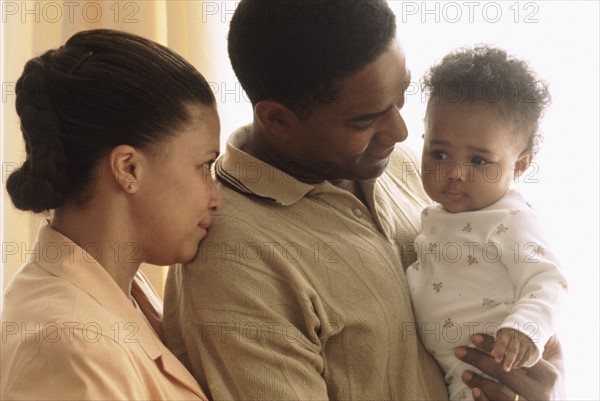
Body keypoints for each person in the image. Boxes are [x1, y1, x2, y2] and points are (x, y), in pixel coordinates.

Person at [163, 1, 565, 400]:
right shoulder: (234, 262)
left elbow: (517, 301)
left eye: (401, 98)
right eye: (365, 120)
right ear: (278, 120)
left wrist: (547, 381)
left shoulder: (411, 170)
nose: (401, 131)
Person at [1, 29, 222, 400]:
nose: (216, 198)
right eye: (205, 166)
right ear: (128, 169)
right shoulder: (69, 345)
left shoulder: (120, 293)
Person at [405, 45, 568, 401]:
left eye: (479, 160)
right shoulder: (435, 214)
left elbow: (548, 280)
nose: (454, 172)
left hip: (499, 366)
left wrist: (525, 330)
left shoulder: (510, 218)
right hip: (455, 372)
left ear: (520, 165)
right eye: (439, 153)